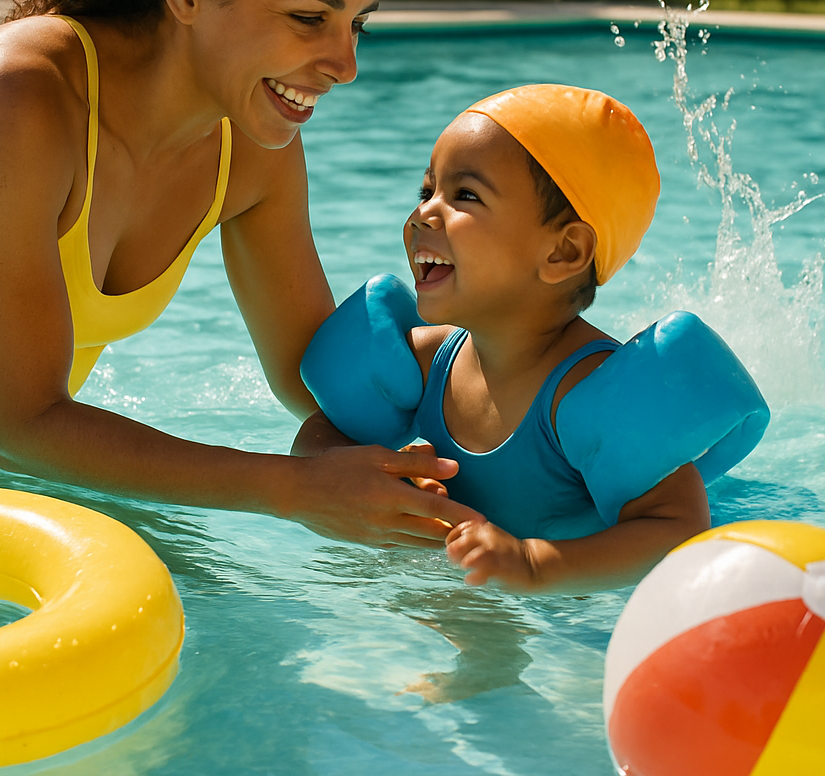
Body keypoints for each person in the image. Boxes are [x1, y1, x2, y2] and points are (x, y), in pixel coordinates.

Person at [0, 0, 482, 546]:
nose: (345, 65)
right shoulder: (9, 104)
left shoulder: (253, 143)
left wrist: (503, 379)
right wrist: (294, 487)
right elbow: (19, 423)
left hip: (11, 474)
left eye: (357, 24)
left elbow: (315, 379)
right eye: (311, 17)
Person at [295, 84, 770, 591]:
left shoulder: (590, 396)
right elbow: (317, 444)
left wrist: (535, 564)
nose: (423, 215)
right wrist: (382, 475)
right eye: (426, 191)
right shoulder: (424, 361)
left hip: (587, 608)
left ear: (563, 252)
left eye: (466, 195)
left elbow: (676, 534)